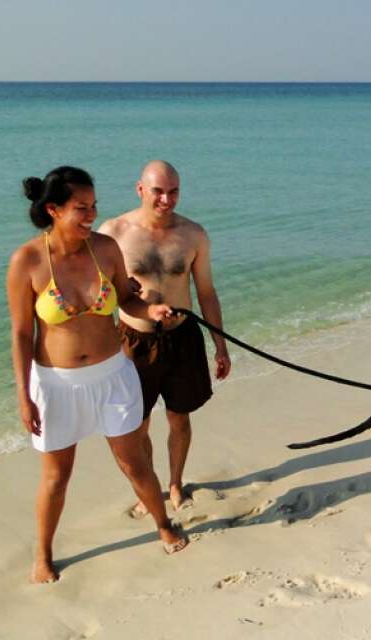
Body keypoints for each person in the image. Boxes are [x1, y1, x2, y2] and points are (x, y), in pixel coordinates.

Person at [6, 166, 189, 584]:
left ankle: (163, 524)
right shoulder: (27, 261)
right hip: (55, 386)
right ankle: (44, 554)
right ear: (53, 209)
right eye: (80, 209)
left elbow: (127, 298)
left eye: (93, 206)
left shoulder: (105, 249)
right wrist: (23, 394)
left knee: (135, 464)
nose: (91, 215)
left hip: (112, 376)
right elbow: (20, 333)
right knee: (57, 477)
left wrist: (152, 310)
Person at [99, 160, 231, 515]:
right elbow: (97, 296)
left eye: (173, 191)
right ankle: (151, 487)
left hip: (182, 337)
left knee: (180, 417)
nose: (166, 199)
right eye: (158, 191)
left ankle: (175, 483)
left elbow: (206, 292)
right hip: (134, 340)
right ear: (140, 189)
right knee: (137, 425)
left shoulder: (193, 234)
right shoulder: (113, 232)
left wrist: (221, 345)